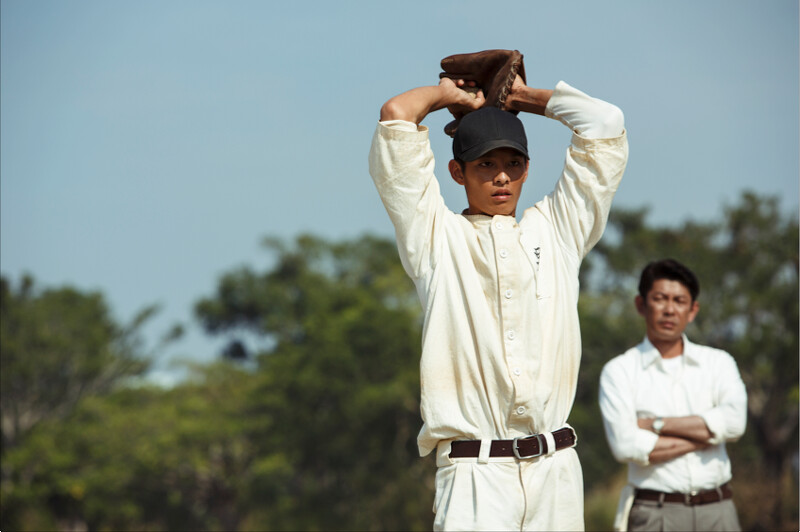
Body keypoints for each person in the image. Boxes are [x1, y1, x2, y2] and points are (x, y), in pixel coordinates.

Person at [368, 62, 628, 531]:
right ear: (457, 171)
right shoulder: (434, 238)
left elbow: (604, 123)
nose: (501, 177)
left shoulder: (558, 230)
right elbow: (396, 115)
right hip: (475, 476)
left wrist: (521, 97)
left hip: (556, 471)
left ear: (527, 169)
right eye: (485, 164)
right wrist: (451, 96)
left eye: (512, 163)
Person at [598, 259, 747, 531]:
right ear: (641, 305)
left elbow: (735, 422)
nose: (669, 309)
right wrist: (709, 434)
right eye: (660, 298)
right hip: (656, 513)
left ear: (692, 310)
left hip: (719, 510)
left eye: (679, 301)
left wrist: (657, 425)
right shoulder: (619, 371)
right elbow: (625, 445)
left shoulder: (718, 362)